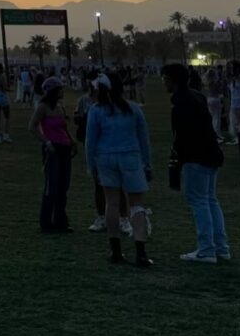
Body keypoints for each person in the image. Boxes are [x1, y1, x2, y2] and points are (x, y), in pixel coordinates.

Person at [161, 63, 230, 263]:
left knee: (199, 201)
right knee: (210, 200)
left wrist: (178, 159)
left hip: (195, 157)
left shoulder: (181, 103)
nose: (163, 82)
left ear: (172, 80)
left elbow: (183, 135)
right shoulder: (197, 96)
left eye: (165, 78)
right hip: (210, 154)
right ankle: (221, 247)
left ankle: (206, 249)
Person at [85, 73, 154, 267]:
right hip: (131, 157)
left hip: (105, 158)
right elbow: (144, 139)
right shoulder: (133, 109)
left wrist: (91, 166)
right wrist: (147, 164)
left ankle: (116, 251)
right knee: (137, 204)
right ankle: (140, 251)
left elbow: (90, 142)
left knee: (112, 203)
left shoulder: (96, 111)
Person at [29, 76, 75, 233]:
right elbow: (32, 126)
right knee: (52, 186)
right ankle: (47, 222)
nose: (63, 91)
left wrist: (71, 140)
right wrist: (46, 142)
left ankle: (61, 221)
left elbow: (64, 127)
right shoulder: (43, 107)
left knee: (63, 186)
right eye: (60, 88)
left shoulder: (60, 107)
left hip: (64, 148)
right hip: (52, 150)